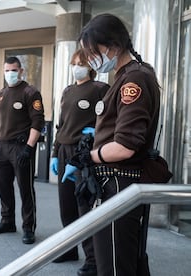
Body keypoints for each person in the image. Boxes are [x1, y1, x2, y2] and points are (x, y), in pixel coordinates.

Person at [63, 14, 161, 276]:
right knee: (123, 261)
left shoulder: (134, 80)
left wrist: (90, 156)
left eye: (93, 52)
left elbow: (125, 145)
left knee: (115, 266)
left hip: (119, 182)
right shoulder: (127, 75)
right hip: (115, 182)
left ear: (113, 46)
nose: (90, 59)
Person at [50, 49, 109, 275]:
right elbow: (61, 124)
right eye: (74, 63)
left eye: (81, 63)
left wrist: (97, 132)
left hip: (84, 151)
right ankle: (69, 248)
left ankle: (93, 259)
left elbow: (110, 118)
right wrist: (55, 153)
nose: (77, 67)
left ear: (91, 66)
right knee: (66, 205)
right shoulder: (67, 91)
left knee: (84, 204)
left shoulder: (100, 89)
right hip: (64, 150)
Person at [0, 56, 45, 244]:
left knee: (25, 188)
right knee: (3, 187)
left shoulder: (30, 92)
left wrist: (29, 147)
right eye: (7, 70)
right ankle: (7, 221)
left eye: (13, 70)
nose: (10, 73)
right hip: (3, 147)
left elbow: (38, 122)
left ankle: (28, 227)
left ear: (21, 71)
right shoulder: (1, 94)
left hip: (21, 147)